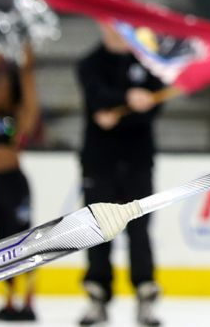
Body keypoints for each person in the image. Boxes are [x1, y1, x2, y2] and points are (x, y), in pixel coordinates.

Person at [76, 23, 165, 326]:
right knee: (98, 230)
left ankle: (145, 294)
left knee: (140, 231)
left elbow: (152, 108)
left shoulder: (148, 63)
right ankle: (97, 295)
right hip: (99, 162)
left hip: (138, 161)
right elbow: (97, 103)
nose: (114, 30)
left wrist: (124, 108)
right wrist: (130, 99)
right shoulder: (90, 63)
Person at [0, 45, 38, 321]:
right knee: (1, 243)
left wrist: (23, 61)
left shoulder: (20, 116)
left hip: (14, 184)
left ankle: (29, 301)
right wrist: (0, 52)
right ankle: (10, 302)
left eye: (3, 84)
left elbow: (27, 83)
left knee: (21, 242)